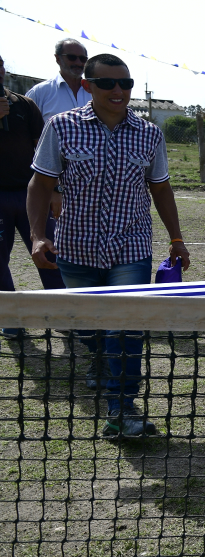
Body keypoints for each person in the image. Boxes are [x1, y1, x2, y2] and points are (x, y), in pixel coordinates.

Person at [26, 53, 190, 437]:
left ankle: (122, 408)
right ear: (87, 86)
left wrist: (177, 238)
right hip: (75, 247)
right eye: (107, 84)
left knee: (126, 324)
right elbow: (40, 184)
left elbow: (161, 188)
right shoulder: (62, 127)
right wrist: (37, 235)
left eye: (125, 84)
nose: (119, 91)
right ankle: (99, 359)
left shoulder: (149, 133)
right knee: (90, 325)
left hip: (129, 247)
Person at [0, 53, 66, 337]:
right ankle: (10, 318)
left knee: (49, 252)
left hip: (29, 195)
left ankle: (64, 313)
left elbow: (44, 150)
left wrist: (53, 190)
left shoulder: (23, 104)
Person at [25, 39, 93, 123]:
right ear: (58, 59)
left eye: (83, 59)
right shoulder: (39, 93)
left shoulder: (95, 92)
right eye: (72, 57)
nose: (78, 63)